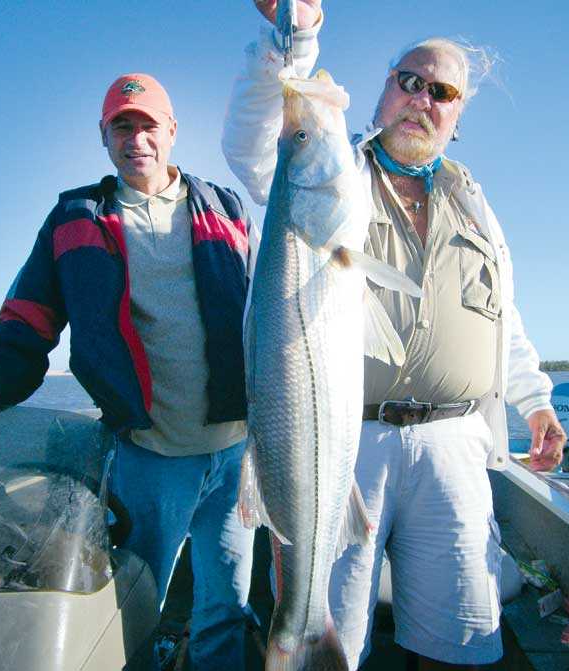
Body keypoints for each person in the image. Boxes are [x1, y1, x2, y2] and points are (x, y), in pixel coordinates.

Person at [222, 2, 567, 669]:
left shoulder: (475, 202)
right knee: (336, 628)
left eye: (441, 91)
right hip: (349, 442)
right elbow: (256, 141)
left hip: (456, 445)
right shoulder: (335, 175)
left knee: (460, 636)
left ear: (458, 115)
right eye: (409, 80)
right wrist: (292, 40)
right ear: (384, 88)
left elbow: (502, 317)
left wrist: (537, 402)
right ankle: (301, 637)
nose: (420, 98)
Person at [0, 72, 259, 671]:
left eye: (148, 124)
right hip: (148, 458)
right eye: (121, 126)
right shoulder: (74, 217)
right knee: (136, 605)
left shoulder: (227, 210)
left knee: (227, 605)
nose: (137, 139)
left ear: (172, 132)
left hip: (237, 459)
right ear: (104, 136)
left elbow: (272, 318)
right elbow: (27, 321)